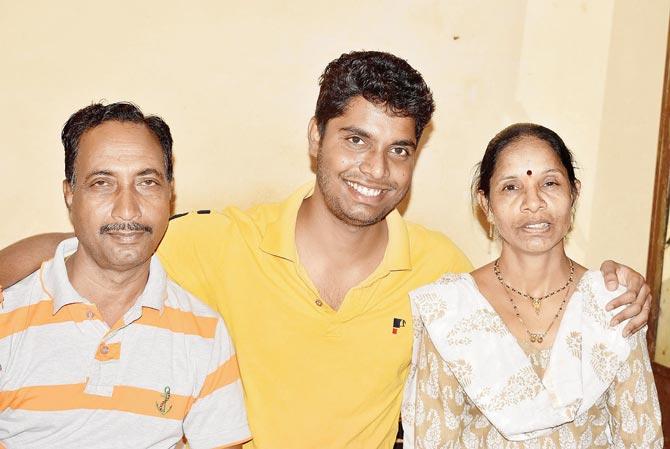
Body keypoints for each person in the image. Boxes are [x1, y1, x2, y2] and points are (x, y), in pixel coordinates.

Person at [0, 52, 652, 449]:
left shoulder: (437, 268)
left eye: (399, 149)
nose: (376, 168)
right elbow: (105, 239)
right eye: (355, 140)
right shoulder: (223, 240)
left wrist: (612, 284)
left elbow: (524, 304)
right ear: (316, 137)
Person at [0, 103, 250, 449]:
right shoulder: (7, 314)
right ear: (70, 193)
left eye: (147, 182)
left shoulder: (204, 334)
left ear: (169, 194)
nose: (128, 209)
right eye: (102, 183)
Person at [402, 123, 662, 448]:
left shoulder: (611, 305)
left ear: (574, 193)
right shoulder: (451, 313)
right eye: (511, 187)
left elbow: (640, 439)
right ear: (486, 205)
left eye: (549, 183)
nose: (533, 202)